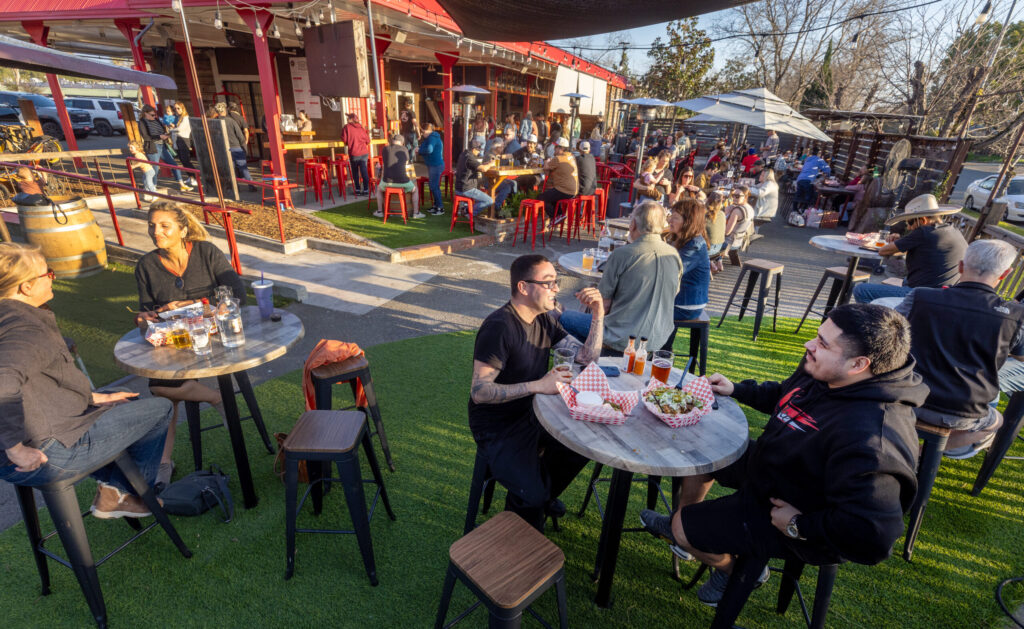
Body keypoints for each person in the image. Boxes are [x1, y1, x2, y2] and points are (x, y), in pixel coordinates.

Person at [641, 303, 924, 605]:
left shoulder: (872, 439)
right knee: (700, 453)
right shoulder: (827, 369)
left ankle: (730, 569)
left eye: (822, 343)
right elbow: (787, 395)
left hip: (794, 509)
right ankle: (685, 527)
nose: (809, 345)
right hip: (775, 468)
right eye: (817, 336)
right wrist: (737, 389)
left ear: (858, 364)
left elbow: (874, 536)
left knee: (682, 528)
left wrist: (799, 524)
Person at [0, 242, 175, 518]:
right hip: (45, 455)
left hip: (23, 446)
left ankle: (115, 489)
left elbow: (38, 382)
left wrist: (92, 397)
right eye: (49, 273)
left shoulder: (7, 316)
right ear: (26, 287)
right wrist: (15, 448)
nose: (52, 278)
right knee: (161, 408)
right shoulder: (27, 329)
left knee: (121, 395)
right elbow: (4, 382)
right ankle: (123, 493)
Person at [469, 254, 602, 530]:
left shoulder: (545, 318)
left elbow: (587, 358)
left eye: (556, 282)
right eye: (549, 282)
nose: (556, 288)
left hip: (535, 413)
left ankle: (541, 495)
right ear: (523, 287)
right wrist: (539, 385)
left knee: (582, 446)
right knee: (532, 495)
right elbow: (480, 392)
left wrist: (599, 314)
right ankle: (529, 506)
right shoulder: (499, 327)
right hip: (498, 426)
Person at [133, 202, 246, 486]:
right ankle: (214, 398)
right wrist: (146, 319)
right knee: (160, 386)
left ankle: (163, 462)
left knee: (164, 391)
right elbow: (150, 312)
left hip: (215, 336)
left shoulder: (206, 252)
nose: (155, 232)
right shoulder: (146, 265)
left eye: (163, 226)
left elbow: (237, 294)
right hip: (176, 341)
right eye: (152, 225)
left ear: (182, 230)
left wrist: (195, 305)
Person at [896, 239, 1023, 458]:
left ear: (961, 266)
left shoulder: (921, 297)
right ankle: (919, 453)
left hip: (906, 396)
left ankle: (906, 447)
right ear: (1005, 274)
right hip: (963, 413)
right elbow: (1020, 357)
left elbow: (888, 329)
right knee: (995, 422)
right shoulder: (1015, 317)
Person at [559, 201, 683, 352]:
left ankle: (578, 363)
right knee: (577, 317)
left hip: (620, 337)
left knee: (559, 318)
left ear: (633, 225)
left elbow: (603, 305)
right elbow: (674, 292)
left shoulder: (622, 254)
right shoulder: (673, 254)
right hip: (658, 338)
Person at [852, 194, 966, 303]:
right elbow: (917, 248)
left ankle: (878, 319)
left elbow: (883, 251)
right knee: (906, 281)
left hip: (923, 295)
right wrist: (900, 242)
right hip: (945, 294)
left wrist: (895, 243)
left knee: (862, 290)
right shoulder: (952, 230)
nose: (909, 227)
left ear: (923, 220)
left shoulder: (924, 232)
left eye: (910, 221)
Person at [663, 198, 711, 350]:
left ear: (688, 221)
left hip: (686, 305)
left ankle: (660, 353)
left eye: (675, 217)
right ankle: (658, 350)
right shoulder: (685, 240)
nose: (670, 219)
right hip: (681, 299)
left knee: (644, 307)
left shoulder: (694, 246)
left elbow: (670, 271)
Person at [138, 104, 191, 192]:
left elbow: (162, 130)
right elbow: (145, 136)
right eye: (152, 115)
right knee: (154, 168)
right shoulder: (142, 122)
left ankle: (181, 184)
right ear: (145, 114)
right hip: (153, 147)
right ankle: (152, 187)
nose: (154, 116)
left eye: (155, 115)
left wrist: (166, 134)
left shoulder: (156, 120)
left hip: (162, 146)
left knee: (173, 164)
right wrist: (159, 136)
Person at [375, 134, 421, 219]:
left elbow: (385, 163)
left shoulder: (385, 149)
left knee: (379, 189)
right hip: (402, 182)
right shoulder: (404, 149)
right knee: (415, 190)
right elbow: (406, 164)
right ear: (402, 143)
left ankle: (380, 211)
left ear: (392, 141)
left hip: (387, 182)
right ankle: (416, 213)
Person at [215, 102, 253, 190]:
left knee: (230, 169)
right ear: (225, 110)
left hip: (223, 148)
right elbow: (240, 135)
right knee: (243, 167)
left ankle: (235, 187)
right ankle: (251, 185)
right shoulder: (230, 121)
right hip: (235, 146)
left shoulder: (215, 121)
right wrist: (243, 145)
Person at [538, 137, 578, 220]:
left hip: (565, 190)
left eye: (556, 147)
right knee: (552, 194)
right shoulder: (571, 156)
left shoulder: (558, 158)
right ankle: (560, 215)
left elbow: (546, 169)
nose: (554, 149)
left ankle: (554, 217)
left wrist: (547, 160)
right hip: (574, 191)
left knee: (541, 198)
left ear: (561, 148)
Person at [453, 139, 494, 217]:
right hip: (466, 189)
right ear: (473, 149)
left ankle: (468, 210)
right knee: (489, 200)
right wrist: (490, 164)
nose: (479, 152)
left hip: (460, 188)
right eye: (478, 150)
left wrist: (486, 164)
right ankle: (468, 212)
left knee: (483, 198)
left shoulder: (464, 154)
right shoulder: (470, 158)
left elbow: (476, 166)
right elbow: (483, 169)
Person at [418, 122, 445, 215]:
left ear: (427, 130)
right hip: (434, 164)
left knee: (434, 186)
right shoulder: (431, 137)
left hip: (436, 165)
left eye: (422, 131)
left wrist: (419, 150)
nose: (421, 133)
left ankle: (440, 207)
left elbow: (429, 150)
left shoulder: (432, 138)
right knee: (433, 186)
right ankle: (436, 205)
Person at [340, 112, 371, 196]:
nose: (347, 119)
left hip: (354, 153)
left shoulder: (346, 127)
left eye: (348, 118)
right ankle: (366, 190)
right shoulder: (361, 128)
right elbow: (368, 141)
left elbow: (344, 140)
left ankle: (357, 190)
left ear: (351, 119)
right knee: (364, 171)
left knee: (355, 172)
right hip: (364, 153)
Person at [722, 186, 754, 256]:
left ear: (745, 197)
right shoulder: (750, 208)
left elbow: (726, 232)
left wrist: (726, 213)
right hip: (739, 241)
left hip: (728, 243)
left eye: (737, 196)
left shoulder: (736, 211)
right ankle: (718, 261)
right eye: (733, 195)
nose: (734, 198)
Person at [171, 102, 197, 179]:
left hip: (184, 139)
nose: (176, 110)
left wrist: (171, 130)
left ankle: (195, 176)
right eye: (175, 108)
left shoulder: (185, 118)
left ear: (182, 108)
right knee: (182, 160)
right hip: (177, 140)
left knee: (186, 160)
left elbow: (180, 129)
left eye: (178, 108)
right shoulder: (178, 117)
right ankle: (191, 176)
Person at [705, 191, 728, 272]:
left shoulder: (705, 214)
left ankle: (710, 263)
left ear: (708, 200)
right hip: (720, 248)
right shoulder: (722, 214)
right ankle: (718, 262)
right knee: (712, 238)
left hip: (708, 250)